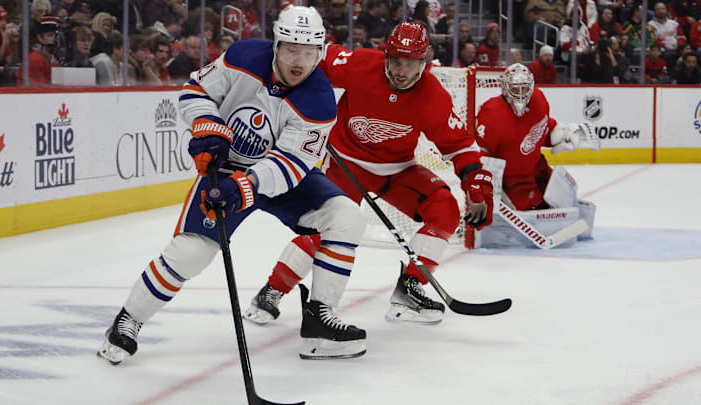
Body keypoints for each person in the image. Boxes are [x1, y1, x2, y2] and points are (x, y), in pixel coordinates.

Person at [97, 5, 368, 364]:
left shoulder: (319, 100)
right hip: (225, 169)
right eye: (290, 50)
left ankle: (319, 320)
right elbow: (196, 90)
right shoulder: (243, 55)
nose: (299, 61)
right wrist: (208, 126)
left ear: (320, 51)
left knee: (347, 216)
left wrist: (248, 185)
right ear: (276, 45)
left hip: (277, 176)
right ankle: (128, 320)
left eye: (308, 52)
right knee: (193, 252)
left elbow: (293, 162)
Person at [243, 22, 494, 327]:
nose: (402, 71)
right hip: (344, 165)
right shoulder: (361, 64)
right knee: (327, 229)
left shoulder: (434, 97)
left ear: (424, 61)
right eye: (396, 61)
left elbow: (458, 145)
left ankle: (410, 290)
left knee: (445, 210)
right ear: (385, 56)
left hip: (397, 170)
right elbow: (309, 57)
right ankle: (272, 291)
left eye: (411, 63)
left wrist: (475, 178)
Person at [473, 63, 596, 246]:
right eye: (516, 88)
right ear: (505, 88)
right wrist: (488, 188)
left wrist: (563, 133)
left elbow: (541, 128)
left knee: (567, 196)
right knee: (540, 212)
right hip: (512, 180)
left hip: (537, 167)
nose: (521, 93)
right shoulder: (491, 113)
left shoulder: (538, 99)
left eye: (525, 88)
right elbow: (480, 155)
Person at [16, 16, 57, 86]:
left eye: (56, 36)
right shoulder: (35, 59)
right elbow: (41, 90)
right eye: (50, 35)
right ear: (40, 38)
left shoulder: (53, 57)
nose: (54, 40)